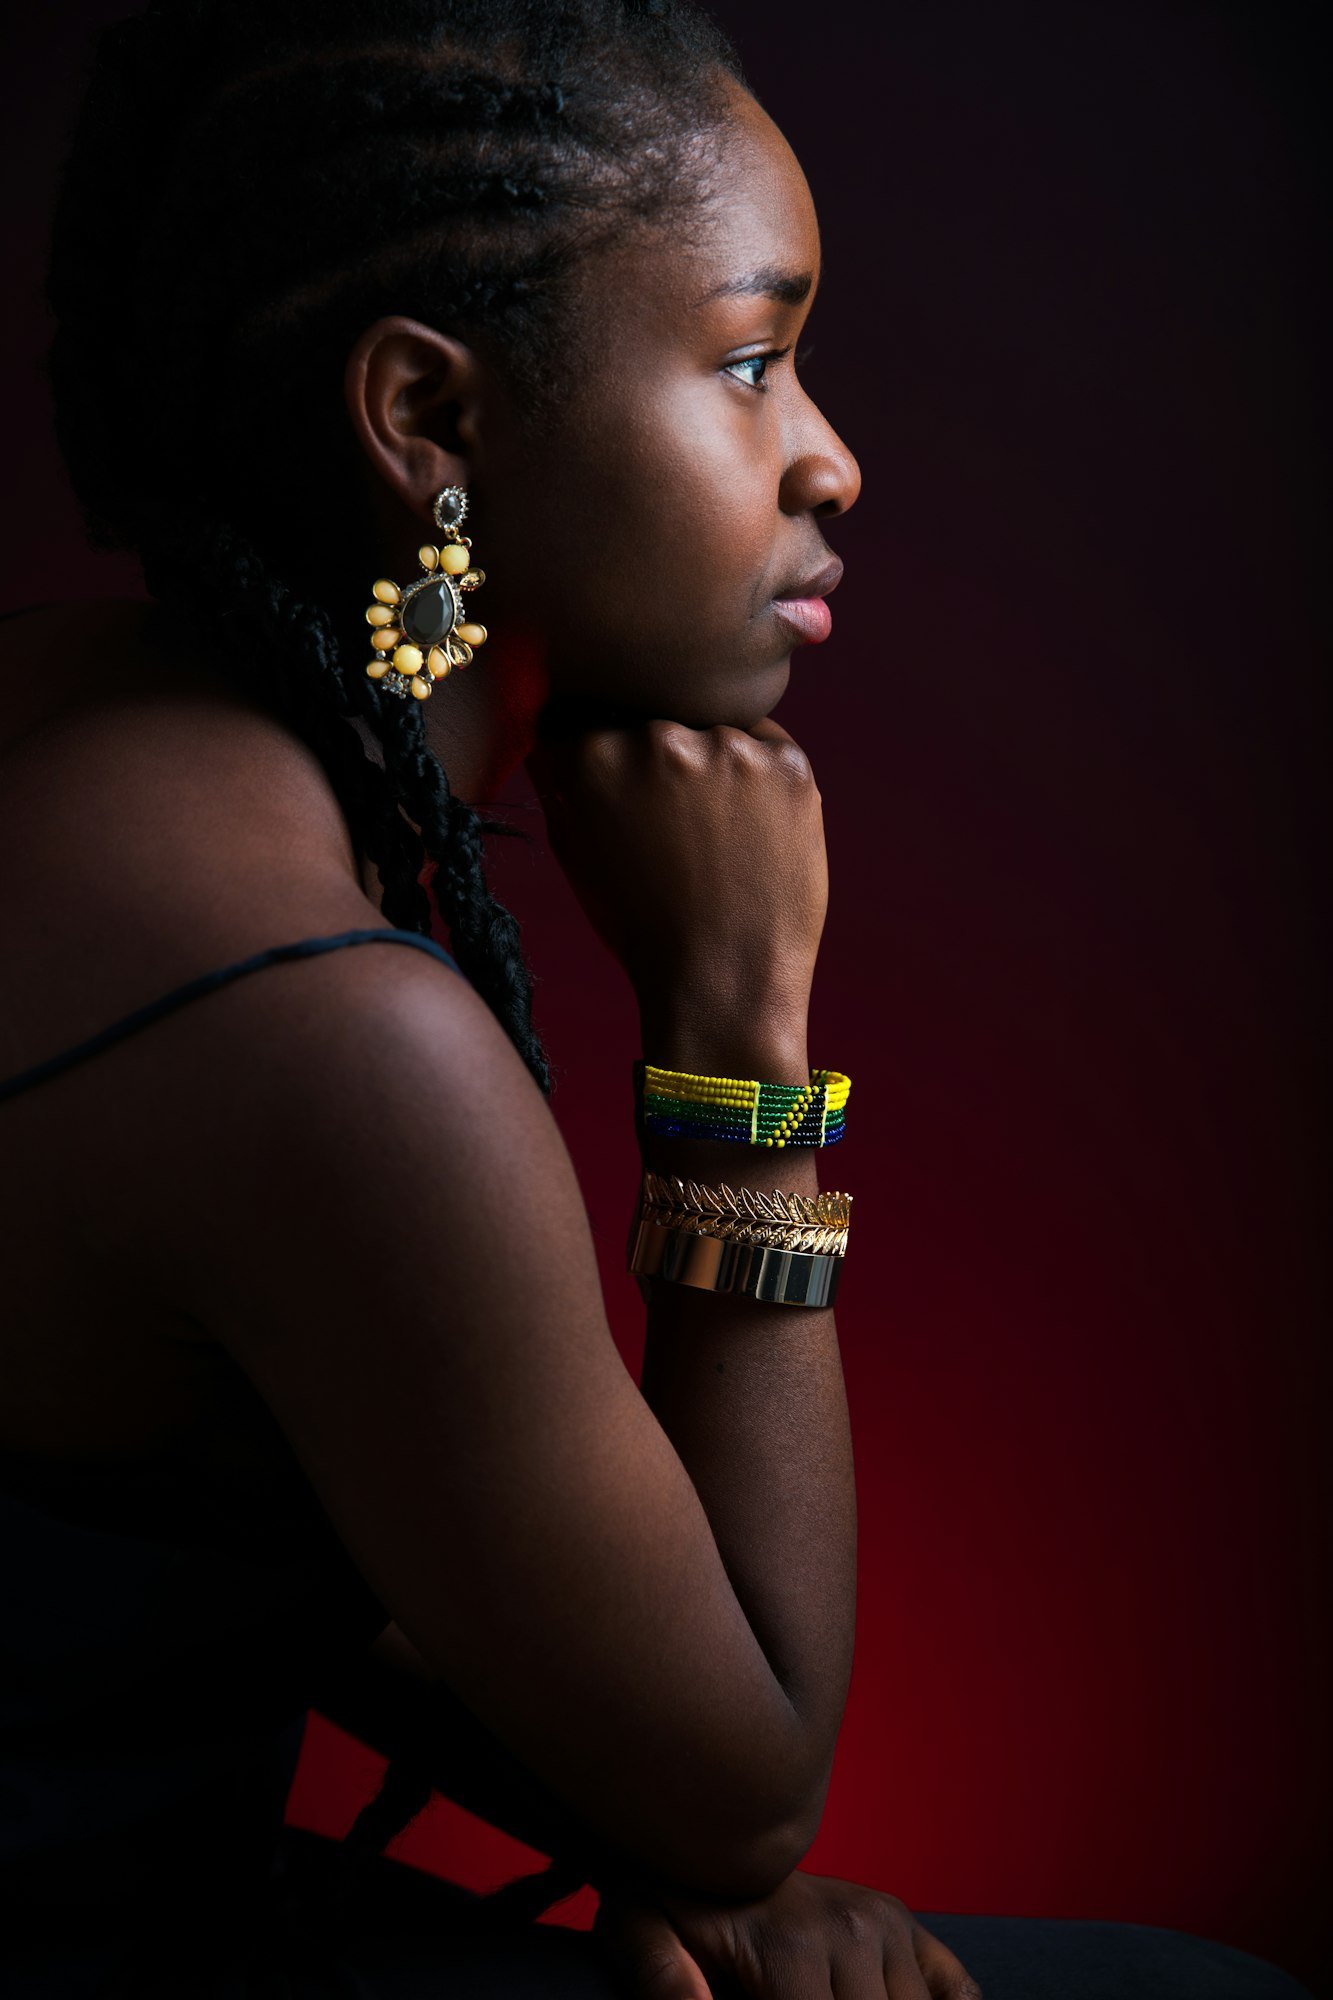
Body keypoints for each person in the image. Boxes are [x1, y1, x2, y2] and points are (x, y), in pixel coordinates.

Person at [0, 2, 1316, 1995]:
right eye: (748, 360)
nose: (833, 460)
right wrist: (734, 1031)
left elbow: (218, 1527)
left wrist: (627, 1799)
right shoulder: (320, 1029)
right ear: (428, 422)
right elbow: (743, 1776)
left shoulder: (85, 726)